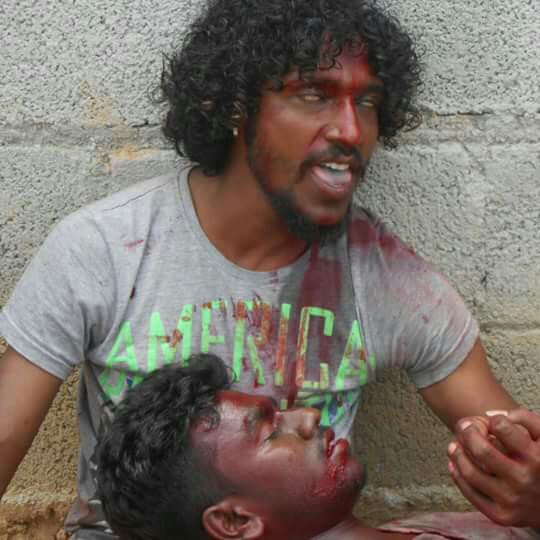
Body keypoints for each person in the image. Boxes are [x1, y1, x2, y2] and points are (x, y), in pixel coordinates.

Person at [1, 0, 539, 538]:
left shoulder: (385, 276)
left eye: (368, 101)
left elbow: (514, 456)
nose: (350, 130)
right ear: (238, 106)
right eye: (314, 95)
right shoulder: (105, 249)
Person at [96, 355, 539, 540]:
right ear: (235, 521)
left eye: (280, 413)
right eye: (271, 433)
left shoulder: (412, 527)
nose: (307, 418)